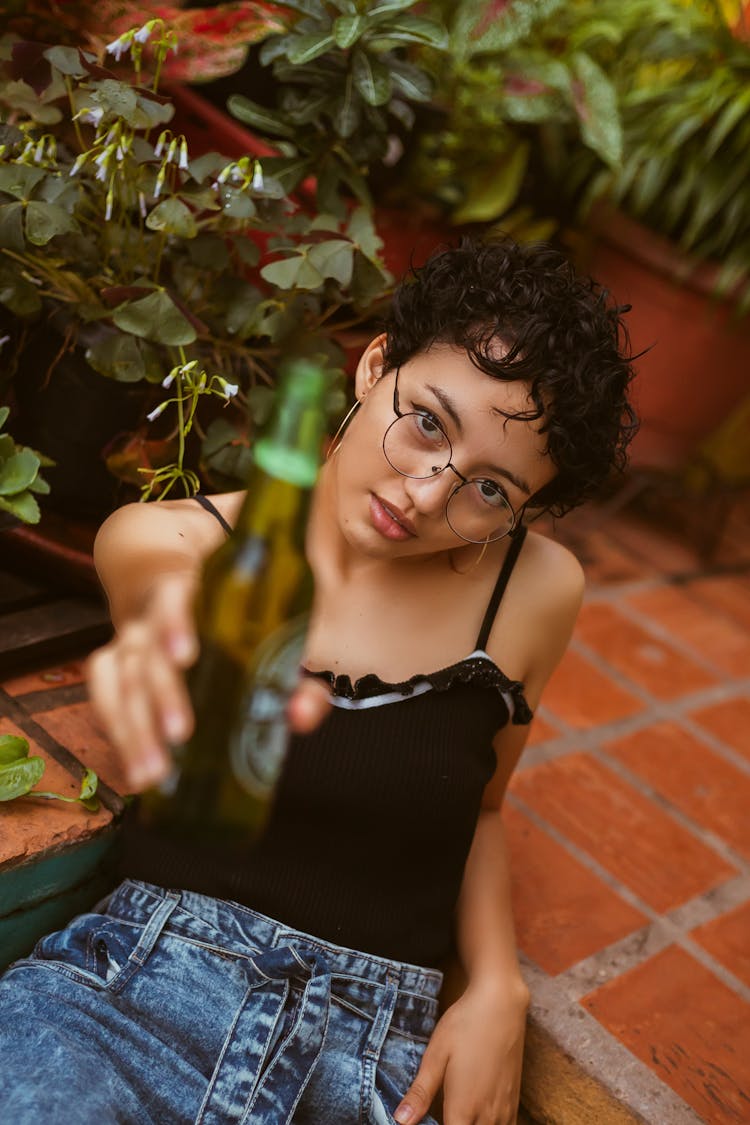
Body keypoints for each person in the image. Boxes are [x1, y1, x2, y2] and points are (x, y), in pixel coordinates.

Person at [0, 236, 635, 1125]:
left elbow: (482, 807)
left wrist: (497, 984)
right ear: (377, 362)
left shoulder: (533, 592)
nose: (424, 494)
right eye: (427, 422)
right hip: (126, 1006)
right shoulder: (173, 539)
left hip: (375, 1071)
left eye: (490, 490)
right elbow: (166, 598)